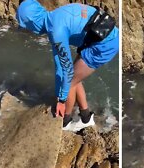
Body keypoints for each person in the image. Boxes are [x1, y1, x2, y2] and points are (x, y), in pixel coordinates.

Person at [16, 0, 119, 131]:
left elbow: (67, 71)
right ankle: (86, 118)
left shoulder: (56, 31)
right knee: (75, 77)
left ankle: (65, 121)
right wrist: (60, 87)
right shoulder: (54, 18)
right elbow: (60, 64)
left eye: (26, 26)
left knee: (70, 80)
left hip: (104, 45)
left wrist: (61, 101)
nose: (28, 30)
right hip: (99, 37)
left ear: (32, 22)